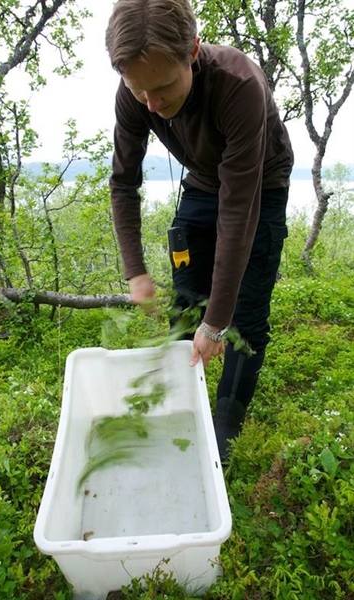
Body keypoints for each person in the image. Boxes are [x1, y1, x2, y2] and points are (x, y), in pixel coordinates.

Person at [105, 0, 294, 460]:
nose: (152, 105)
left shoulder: (239, 84)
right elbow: (122, 183)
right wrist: (135, 270)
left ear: (191, 51)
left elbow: (237, 212)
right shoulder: (136, 92)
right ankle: (179, 405)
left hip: (259, 186)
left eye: (163, 88)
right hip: (202, 181)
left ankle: (225, 426)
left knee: (243, 315)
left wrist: (218, 321)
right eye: (138, 91)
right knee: (186, 299)